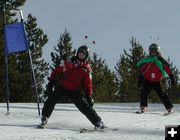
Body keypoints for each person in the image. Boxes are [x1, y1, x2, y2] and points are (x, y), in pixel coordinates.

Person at [40, 45, 106, 130]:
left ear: (86, 56)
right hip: (63, 86)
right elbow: (56, 71)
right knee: (52, 98)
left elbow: (87, 83)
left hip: (75, 90)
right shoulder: (67, 62)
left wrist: (88, 95)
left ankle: (98, 122)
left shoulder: (86, 69)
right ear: (77, 52)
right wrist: (51, 82)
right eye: (80, 52)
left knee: (84, 106)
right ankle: (45, 117)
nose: (81, 54)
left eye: (84, 53)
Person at [136, 43, 175, 114]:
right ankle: (143, 106)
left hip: (157, 81)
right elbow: (142, 70)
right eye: (152, 51)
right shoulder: (147, 61)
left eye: (155, 51)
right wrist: (140, 79)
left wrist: (171, 77)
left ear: (158, 51)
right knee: (143, 92)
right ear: (149, 52)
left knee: (162, 94)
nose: (153, 53)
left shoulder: (161, 61)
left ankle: (169, 108)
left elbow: (167, 69)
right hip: (148, 80)